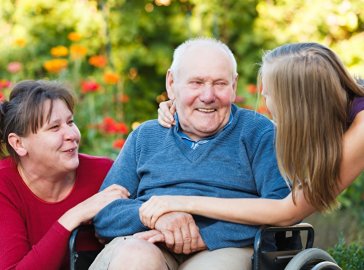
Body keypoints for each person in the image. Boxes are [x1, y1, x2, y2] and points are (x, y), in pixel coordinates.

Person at [90, 37, 290, 270]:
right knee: (135, 257)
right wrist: (157, 218)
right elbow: (105, 213)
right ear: (171, 83)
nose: (208, 95)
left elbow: (281, 208)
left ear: (234, 86)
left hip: (225, 248)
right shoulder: (145, 136)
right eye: (196, 82)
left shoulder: (258, 132)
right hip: (148, 241)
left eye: (220, 84)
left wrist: (205, 236)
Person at [142, 42, 364, 229]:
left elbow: (288, 211)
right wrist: (183, 106)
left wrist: (182, 202)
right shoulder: (342, 106)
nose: (266, 104)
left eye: (268, 95)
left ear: (296, 104)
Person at [0, 80, 128, 270]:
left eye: (70, 122)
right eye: (54, 127)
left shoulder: (104, 172)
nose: (72, 135)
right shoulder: (5, 186)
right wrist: (74, 216)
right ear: (18, 144)